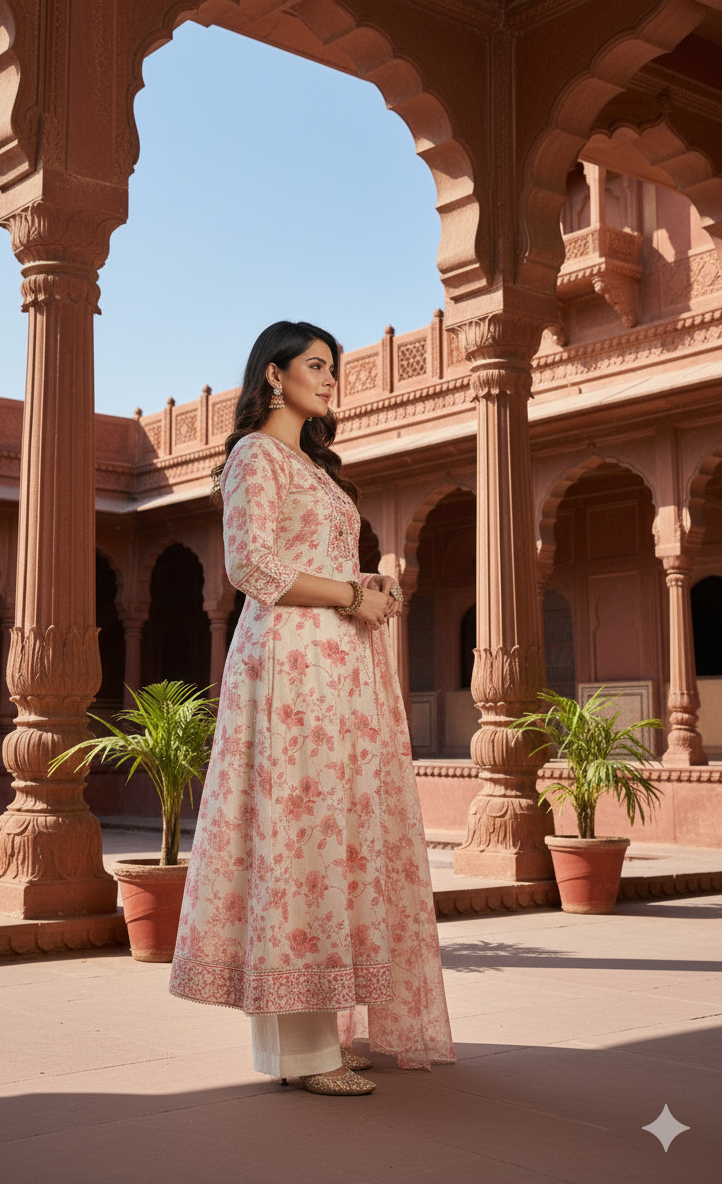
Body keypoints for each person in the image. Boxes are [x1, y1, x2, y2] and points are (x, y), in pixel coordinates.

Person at [169, 321, 455, 1095]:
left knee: (340, 839)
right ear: (273, 375)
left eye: (334, 368)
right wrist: (351, 594)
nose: (331, 380)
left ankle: (322, 1030)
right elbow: (252, 565)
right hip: (290, 669)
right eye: (316, 366)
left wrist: (370, 588)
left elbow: (319, 562)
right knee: (298, 838)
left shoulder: (315, 469)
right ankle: (302, 1053)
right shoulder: (253, 457)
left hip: (338, 671)